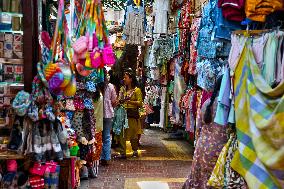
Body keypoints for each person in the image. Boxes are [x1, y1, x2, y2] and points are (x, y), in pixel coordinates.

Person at [117, 68, 143, 158]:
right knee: (122, 134)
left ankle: (135, 150)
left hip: (132, 115)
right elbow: (119, 100)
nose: (124, 79)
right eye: (124, 78)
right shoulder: (122, 89)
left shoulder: (137, 90)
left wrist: (129, 102)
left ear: (131, 79)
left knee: (133, 134)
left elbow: (140, 103)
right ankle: (122, 152)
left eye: (126, 77)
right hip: (122, 114)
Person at [101, 72, 117, 165]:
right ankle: (106, 157)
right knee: (106, 136)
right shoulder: (110, 86)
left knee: (97, 135)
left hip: (97, 114)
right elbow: (114, 101)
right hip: (108, 114)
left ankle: (98, 157)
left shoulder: (96, 86)